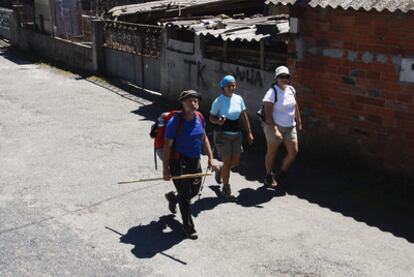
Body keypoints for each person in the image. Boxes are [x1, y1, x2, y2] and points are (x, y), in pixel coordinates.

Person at [163, 90, 217, 240]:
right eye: (189, 101)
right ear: (182, 103)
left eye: (195, 101)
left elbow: (204, 138)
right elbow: (167, 146)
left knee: (194, 191)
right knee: (186, 196)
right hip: (179, 162)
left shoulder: (199, 117)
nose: (192, 104)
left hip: (195, 161)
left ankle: (173, 198)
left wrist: (211, 158)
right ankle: (188, 226)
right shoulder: (176, 122)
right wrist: (166, 169)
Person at [209, 75, 254, 198]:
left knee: (235, 162)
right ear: (223, 87)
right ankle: (226, 187)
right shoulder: (218, 101)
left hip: (237, 136)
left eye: (233, 85)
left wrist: (249, 132)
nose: (232, 87)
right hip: (222, 136)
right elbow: (211, 118)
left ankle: (220, 170)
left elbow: (244, 116)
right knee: (228, 161)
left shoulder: (239, 99)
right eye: (229, 85)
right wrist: (218, 121)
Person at [262, 66, 302, 188]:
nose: (284, 79)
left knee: (293, 152)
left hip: (290, 126)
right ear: (276, 78)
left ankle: (282, 173)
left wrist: (298, 121)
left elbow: (295, 105)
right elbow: (268, 113)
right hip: (275, 127)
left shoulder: (291, 89)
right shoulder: (272, 92)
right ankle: (268, 176)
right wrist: (275, 130)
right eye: (281, 77)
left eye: (287, 77)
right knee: (272, 152)